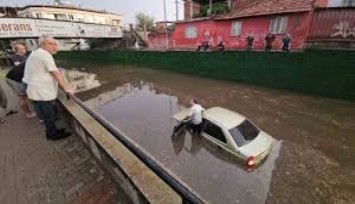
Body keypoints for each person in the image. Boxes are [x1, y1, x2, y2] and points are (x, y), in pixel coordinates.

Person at [23, 35, 74, 140]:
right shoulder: (45, 55)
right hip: (42, 93)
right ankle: (52, 134)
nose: (55, 46)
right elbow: (56, 73)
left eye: (55, 44)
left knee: (47, 115)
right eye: (51, 44)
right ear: (43, 44)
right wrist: (67, 89)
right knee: (49, 115)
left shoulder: (35, 53)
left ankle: (52, 131)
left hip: (36, 91)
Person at [5, 42, 37, 118]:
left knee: (27, 94)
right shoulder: (15, 57)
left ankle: (34, 109)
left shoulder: (25, 57)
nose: (25, 49)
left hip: (20, 78)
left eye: (24, 48)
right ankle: (28, 114)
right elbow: (19, 66)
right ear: (18, 50)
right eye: (22, 48)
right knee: (22, 96)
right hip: (14, 79)